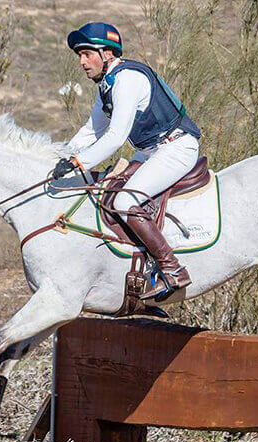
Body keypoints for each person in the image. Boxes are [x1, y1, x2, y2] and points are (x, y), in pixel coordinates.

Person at [52, 22, 201, 300]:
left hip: (176, 147)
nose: (82, 62)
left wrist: (78, 162)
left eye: (87, 54)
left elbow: (115, 137)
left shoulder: (127, 80)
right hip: (150, 151)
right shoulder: (106, 85)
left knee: (123, 201)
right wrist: (59, 156)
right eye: (80, 56)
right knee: (106, 192)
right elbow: (92, 130)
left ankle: (172, 269)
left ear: (107, 53)